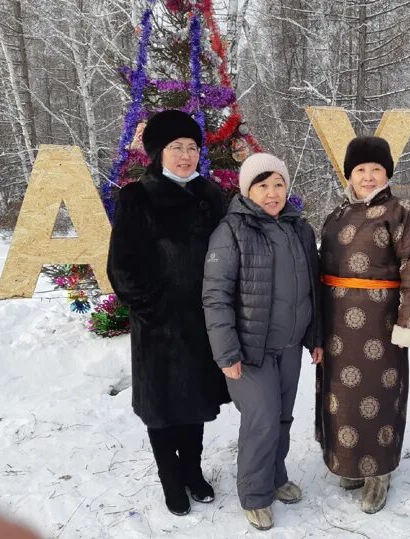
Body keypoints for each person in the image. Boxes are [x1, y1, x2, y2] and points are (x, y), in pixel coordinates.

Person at [107, 110, 230, 516]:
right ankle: (171, 479)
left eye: (192, 147)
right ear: (158, 153)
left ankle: (192, 471)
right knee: (162, 410)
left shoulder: (211, 195)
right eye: (176, 147)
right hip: (159, 328)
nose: (185, 156)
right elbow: (121, 267)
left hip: (204, 323)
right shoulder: (137, 197)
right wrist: (154, 312)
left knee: (195, 403)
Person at [202, 153, 323, 531]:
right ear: (247, 190)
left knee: (283, 417)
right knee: (262, 420)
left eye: (278, 185)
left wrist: (314, 335)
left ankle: (275, 476)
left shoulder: (299, 228)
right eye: (262, 185)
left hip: (289, 346)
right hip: (250, 351)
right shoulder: (231, 230)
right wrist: (226, 351)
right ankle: (254, 494)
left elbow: (312, 290)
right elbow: (216, 294)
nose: (272, 194)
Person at [316, 136, 410, 514]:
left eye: (376, 169)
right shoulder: (336, 215)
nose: (368, 177)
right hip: (335, 326)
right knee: (342, 398)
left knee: (377, 396)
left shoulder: (400, 214)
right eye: (360, 169)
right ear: (349, 173)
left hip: (379, 327)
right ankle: (350, 463)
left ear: (387, 173)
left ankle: (378, 471)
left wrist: (409, 322)